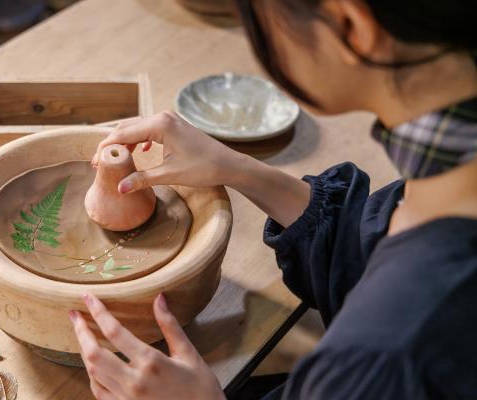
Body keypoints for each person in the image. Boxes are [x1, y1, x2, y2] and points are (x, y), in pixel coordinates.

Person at [68, 0, 477, 398]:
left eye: (256, 15)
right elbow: (376, 255)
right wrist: (240, 169)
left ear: (350, 25)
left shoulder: (391, 354)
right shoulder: (454, 178)